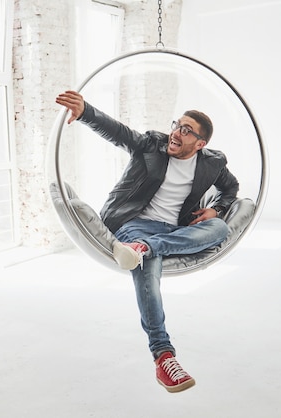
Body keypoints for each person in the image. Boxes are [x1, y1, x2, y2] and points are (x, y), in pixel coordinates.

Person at [55, 90, 239, 393]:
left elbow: (231, 189)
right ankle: (163, 355)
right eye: (177, 124)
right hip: (133, 225)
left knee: (219, 229)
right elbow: (118, 132)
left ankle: (145, 249)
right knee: (147, 267)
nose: (176, 132)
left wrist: (216, 209)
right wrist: (86, 111)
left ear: (200, 144)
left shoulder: (213, 163)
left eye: (186, 130)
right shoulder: (151, 145)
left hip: (170, 232)